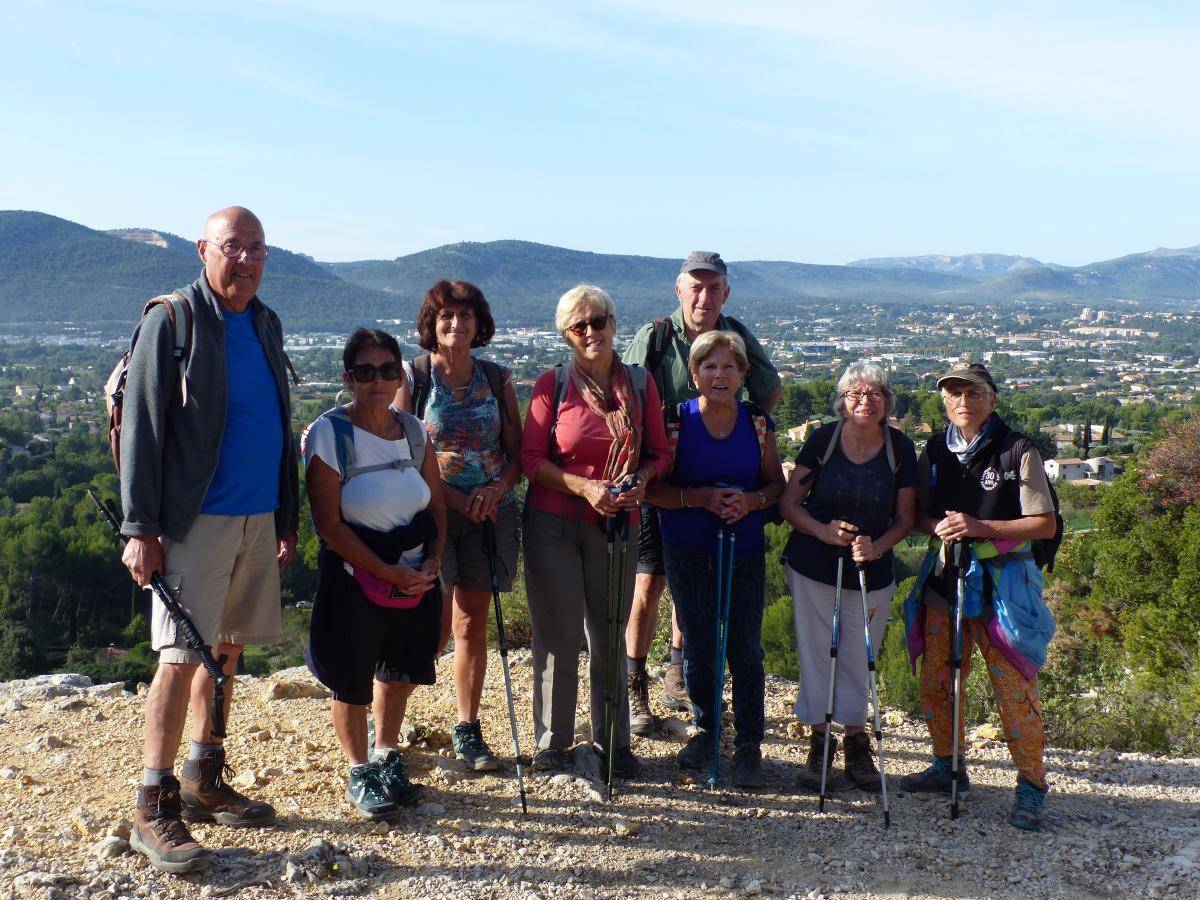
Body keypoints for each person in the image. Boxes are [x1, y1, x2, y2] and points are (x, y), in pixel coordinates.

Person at [118, 206, 299, 873]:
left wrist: (286, 517)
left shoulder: (265, 321)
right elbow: (142, 429)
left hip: (256, 514)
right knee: (179, 656)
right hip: (193, 521)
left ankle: (202, 773)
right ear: (203, 249)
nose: (246, 260)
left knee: (224, 648)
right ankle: (151, 802)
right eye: (233, 247)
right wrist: (141, 528)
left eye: (257, 248)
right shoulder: (173, 320)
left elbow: (278, 421)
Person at [622, 251, 782, 734]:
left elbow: (769, 386)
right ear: (679, 290)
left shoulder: (735, 333)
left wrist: (744, 424)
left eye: (714, 288)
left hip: (718, 471)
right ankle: (635, 683)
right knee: (651, 580)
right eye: (696, 287)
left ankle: (678, 668)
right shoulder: (655, 337)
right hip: (662, 472)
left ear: (725, 293)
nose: (704, 296)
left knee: (694, 576)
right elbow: (624, 394)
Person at [521, 284, 671, 775]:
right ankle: (553, 743)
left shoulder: (640, 384)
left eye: (598, 321)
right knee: (559, 635)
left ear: (613, 323)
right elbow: (531, 459)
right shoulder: (553, 384)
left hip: (617, 525)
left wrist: (642, 481)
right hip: (555, 522)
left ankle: (614, 741)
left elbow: (659, 454)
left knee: (609, 633)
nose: (591, 332)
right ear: (567, 335)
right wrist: (584, 487)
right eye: (579, 326)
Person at [900, 362, 1057, 830]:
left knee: (1013, 689)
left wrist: (979, 528)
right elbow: (919, 516)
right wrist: (941, 528)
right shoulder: (934, 450)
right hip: (946, 580)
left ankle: (1032, 784)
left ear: (991, 398)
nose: (962, 401)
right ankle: (949, 765)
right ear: (943, 400)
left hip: (1003, 588)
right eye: (953, 393)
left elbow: (1044, 522)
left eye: (972, 393)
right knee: (938, 679)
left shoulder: (1017, 451)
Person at [304, 328, 447, 819]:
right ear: (348, 378)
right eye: (365, 372)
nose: (378, 381)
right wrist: (385, 569)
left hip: (413, 574)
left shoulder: (412, 431)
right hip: (355, 576)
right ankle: (359, 769)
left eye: (388, 370)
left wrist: (432, 561)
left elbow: (437, 504)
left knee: (399, 668)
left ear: (400, 374)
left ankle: (387, 754)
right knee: (352, 674)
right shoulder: (329, 434)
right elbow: (328, 523)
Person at [646, 331, 785, 787]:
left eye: (729, 367)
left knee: (746, 646)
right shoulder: (675, 423)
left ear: (743, 374)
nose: (719, 375)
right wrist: (699, 498)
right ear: (694, 374)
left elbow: (774, 486)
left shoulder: (757, 424)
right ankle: (706, 730)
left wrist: (751, 503)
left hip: (742, 547)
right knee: (700, 642)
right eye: (709, 367)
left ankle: (748, 743)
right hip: (687, 548)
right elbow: (655, 490)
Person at [392, 280, 521, 771]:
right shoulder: (416, 378)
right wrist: (459, 499)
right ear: (432, 324)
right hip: (432, 515)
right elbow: (402, 456)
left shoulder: (497, 377)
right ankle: (390, 731)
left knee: (471, 624)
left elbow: (516, 453)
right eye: (446, 316)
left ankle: (467, 726)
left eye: (465, 316)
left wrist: (494, 491)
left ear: (478, 323)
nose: (456, 324)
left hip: (489, 515)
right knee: (428, 625)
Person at [779, 362, 917, 793]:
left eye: (875, 393)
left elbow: (906, 518)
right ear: (842, 401)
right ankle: (820, 745)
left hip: (871, 570)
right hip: (813, 564)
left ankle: (857, 744)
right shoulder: (824, 439)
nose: (865, 400)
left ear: (887, 402)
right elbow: (789, 503)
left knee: (862, 655)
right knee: (818, 653)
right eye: (856, 393)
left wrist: (878, 546)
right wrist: (822, 530)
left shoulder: (899, 447)